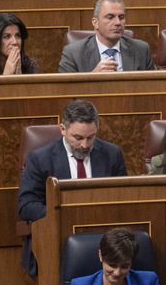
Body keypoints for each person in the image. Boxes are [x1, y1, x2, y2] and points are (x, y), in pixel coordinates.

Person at [18, 99, 126, 274]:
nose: (84, 145)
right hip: (58, 235)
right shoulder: (40, 158)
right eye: (78, 138)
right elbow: (26, 206)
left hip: (103, 234)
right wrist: (68, 216)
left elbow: (122, 199)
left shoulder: (112, 154)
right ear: (62, 129)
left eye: (90, 137)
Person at [60, 0, 157, 72]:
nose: (118, 23)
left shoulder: (141, 50)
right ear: (95, 22)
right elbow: (65, 93)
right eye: (110, 17)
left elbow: (154, 88)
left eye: (121, 17)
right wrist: (92, 77)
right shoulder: (73, 53)